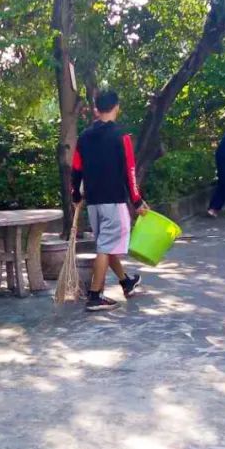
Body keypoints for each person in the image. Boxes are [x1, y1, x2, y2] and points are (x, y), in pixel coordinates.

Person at [71, 90, 149, 312]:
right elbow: (130, 172)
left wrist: (75, 195)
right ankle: (95, 296)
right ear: (117, 107)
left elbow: (76, 169)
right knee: (106, 246)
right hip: (113, 201)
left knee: (106, 243)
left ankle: (126, 282)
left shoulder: (84, 137)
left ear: (96, 109)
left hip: (93, 202)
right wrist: (137, 201)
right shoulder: (121, 136)